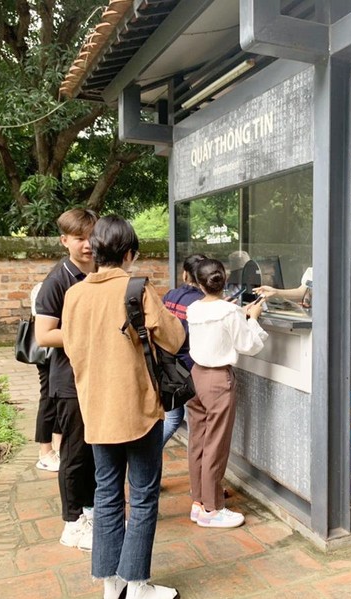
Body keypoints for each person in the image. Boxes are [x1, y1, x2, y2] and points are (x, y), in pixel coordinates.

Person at [62, 216, 185, 599]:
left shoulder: (75, 295)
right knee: (144, 494)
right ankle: (137, 584)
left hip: (96, 410)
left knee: (107, 492)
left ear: (95, 251)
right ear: (129, 252)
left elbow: (70, 347)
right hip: (138, 409)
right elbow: (175, 339)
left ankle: (110, 583)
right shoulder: (137, 289)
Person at [186, 258, 268, 528]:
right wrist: (253, 320)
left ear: (198, 283)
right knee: (216, 444)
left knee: (198, 440)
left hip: (196, 377)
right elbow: (249, 345)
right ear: (224, 279)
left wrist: (237, 314)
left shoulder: (194, 308)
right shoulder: (228, 312)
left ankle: (199, 502)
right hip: (218, 380)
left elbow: (217, 320)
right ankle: (212, 508)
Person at [34, 207, 99, 552]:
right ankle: (71, 523)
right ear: (65, 241)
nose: (88, 245)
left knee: (90, 452)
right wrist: (89, 332)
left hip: (94, 377)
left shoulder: (99, 272)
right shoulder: (57, 280)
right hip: (69, 382)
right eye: (79, 238)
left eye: (91, 237)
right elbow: (44, 335)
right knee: (73, 454)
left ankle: (89, 513)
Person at [161, 253, 207, 446]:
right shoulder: (202, 302)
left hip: (168, 364)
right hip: (189, 368)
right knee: (178, 419)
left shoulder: (171, 295)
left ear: (185, 274)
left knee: (173, 416)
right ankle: (146, 456)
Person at [31, 282, 61, 472]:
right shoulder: (47, 287)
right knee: (48, 399)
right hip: (48, 352)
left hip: (59, 353)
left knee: (59, 398)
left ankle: (57, 449)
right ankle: (44, 452)